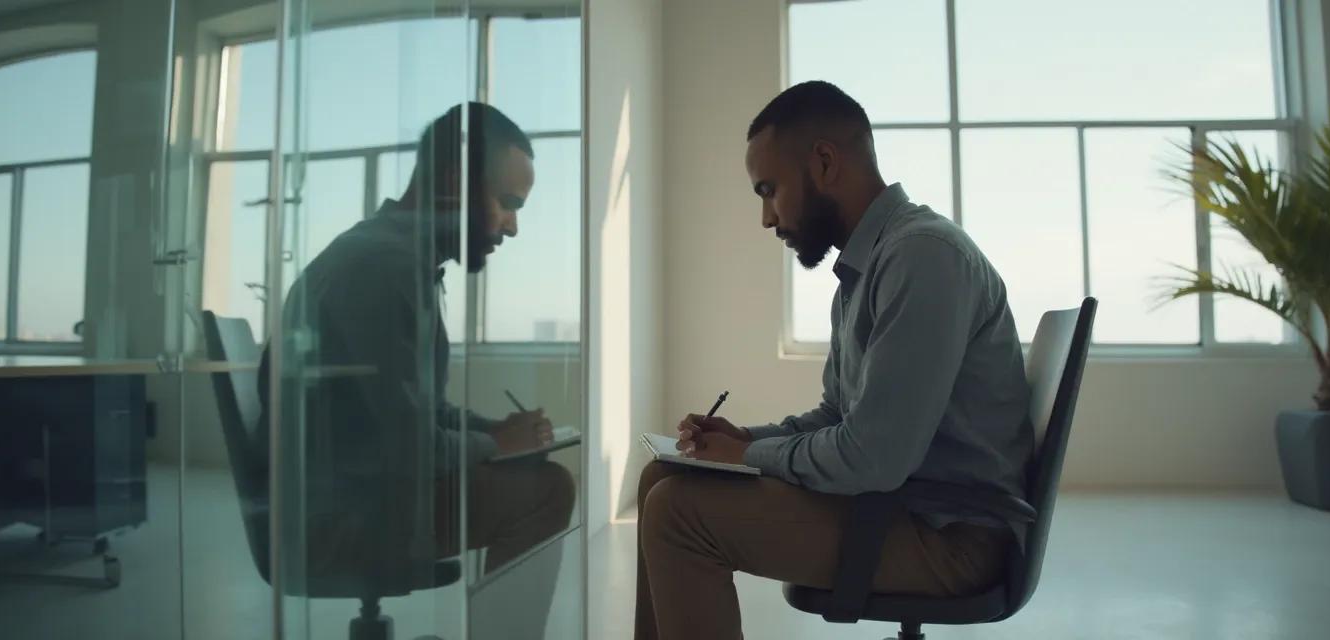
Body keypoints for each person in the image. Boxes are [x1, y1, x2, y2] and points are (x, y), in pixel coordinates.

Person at [633, 81, 1034, 640]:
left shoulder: (923, 257)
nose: (767, 219)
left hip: (949, 539)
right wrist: (741, 438)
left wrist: (750, 454)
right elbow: (838, 417)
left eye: (769, 190)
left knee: (678, 513)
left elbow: (873, 458)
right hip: (902, 510)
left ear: (823, 162)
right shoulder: (869, 268)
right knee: (661, 478)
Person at [261, 103, 574, 633]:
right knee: (548, 489)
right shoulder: (384, 271)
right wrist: (501, 447)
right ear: (455, 182)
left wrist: (493, 430)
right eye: (507, 202)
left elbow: (418, 409)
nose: (513, 227)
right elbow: (408, 447)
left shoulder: (393, 257)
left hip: (348, 492)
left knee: (529, 471)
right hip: (340, 517)